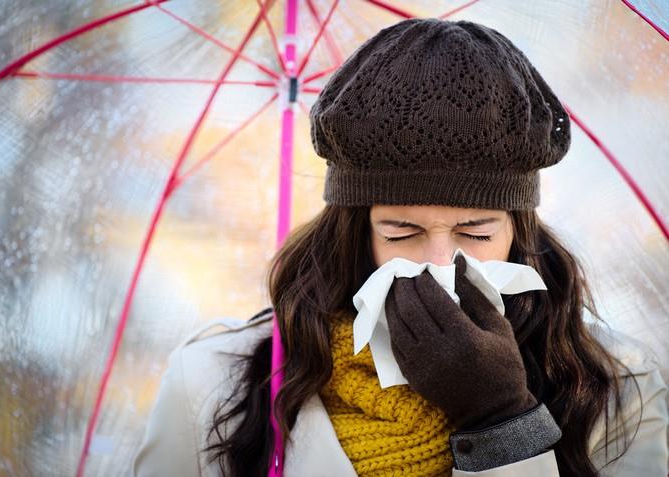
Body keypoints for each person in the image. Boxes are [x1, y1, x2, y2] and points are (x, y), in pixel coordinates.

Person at [132, 17, 669, 477]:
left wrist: (504, 422)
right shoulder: (212, 382)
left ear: (518, 233)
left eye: (476, 233)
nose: (439, 264)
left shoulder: (615, 386)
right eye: (402, 232)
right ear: (355, 234)